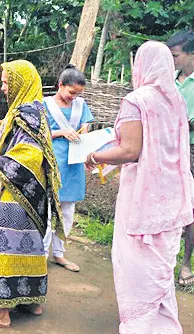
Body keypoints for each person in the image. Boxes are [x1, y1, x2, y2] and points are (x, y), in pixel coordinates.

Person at [85, 41, 194, 333]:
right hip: (172, 197)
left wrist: (94, 156)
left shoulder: (138, 100)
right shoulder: (176, 100)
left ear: (142, 65)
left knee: (137, 268)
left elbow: (130, 150)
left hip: (143, 198)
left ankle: (139, 327)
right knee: (160, 271)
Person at [0, 60, 63, 329]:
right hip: (30, 194)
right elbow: (11, 144)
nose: (3, 87)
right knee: (30, 247)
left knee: (4, 247)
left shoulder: (26, 113)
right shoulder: (32, 110)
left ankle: (1, 313)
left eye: (7, 82)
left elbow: (29, 156)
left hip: (15, 195)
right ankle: (31, 300)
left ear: (21, 82)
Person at [42, 64, 93, 273]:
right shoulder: (44, 105)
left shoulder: (81, 106)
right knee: (46, 210)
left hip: (73, 164)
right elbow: (38, 133)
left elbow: (85, 131)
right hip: (52, 161)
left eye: (78, 93)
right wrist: (61, 132)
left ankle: (59, 253)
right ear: (60, 85)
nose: (74, 97)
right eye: (71, 92)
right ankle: (41, 254)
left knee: (67, 211)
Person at [167, 31, 194, 287]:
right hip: (166, 149)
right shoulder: (168, 81)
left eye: (175, 56)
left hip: (192, 149)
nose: (171, 60)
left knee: (190, 208)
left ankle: (185, 262)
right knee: (166, 203)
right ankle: (165, 259)